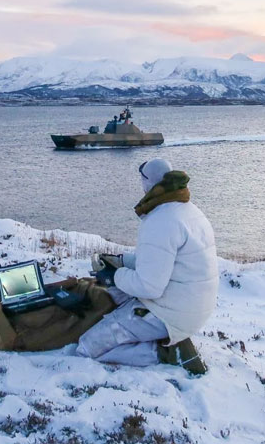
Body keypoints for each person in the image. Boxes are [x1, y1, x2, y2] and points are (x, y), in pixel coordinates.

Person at [78, 158, 219, 375]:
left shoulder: (161, 220)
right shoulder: (188, 210)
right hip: (193, 307)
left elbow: (149, 287)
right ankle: (163, 340)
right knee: (114, 299)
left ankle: (167, 353)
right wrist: (121, 261)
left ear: (147, 183)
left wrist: (114, 276)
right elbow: (160, 261)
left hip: (169, 314)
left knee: (87, 347)